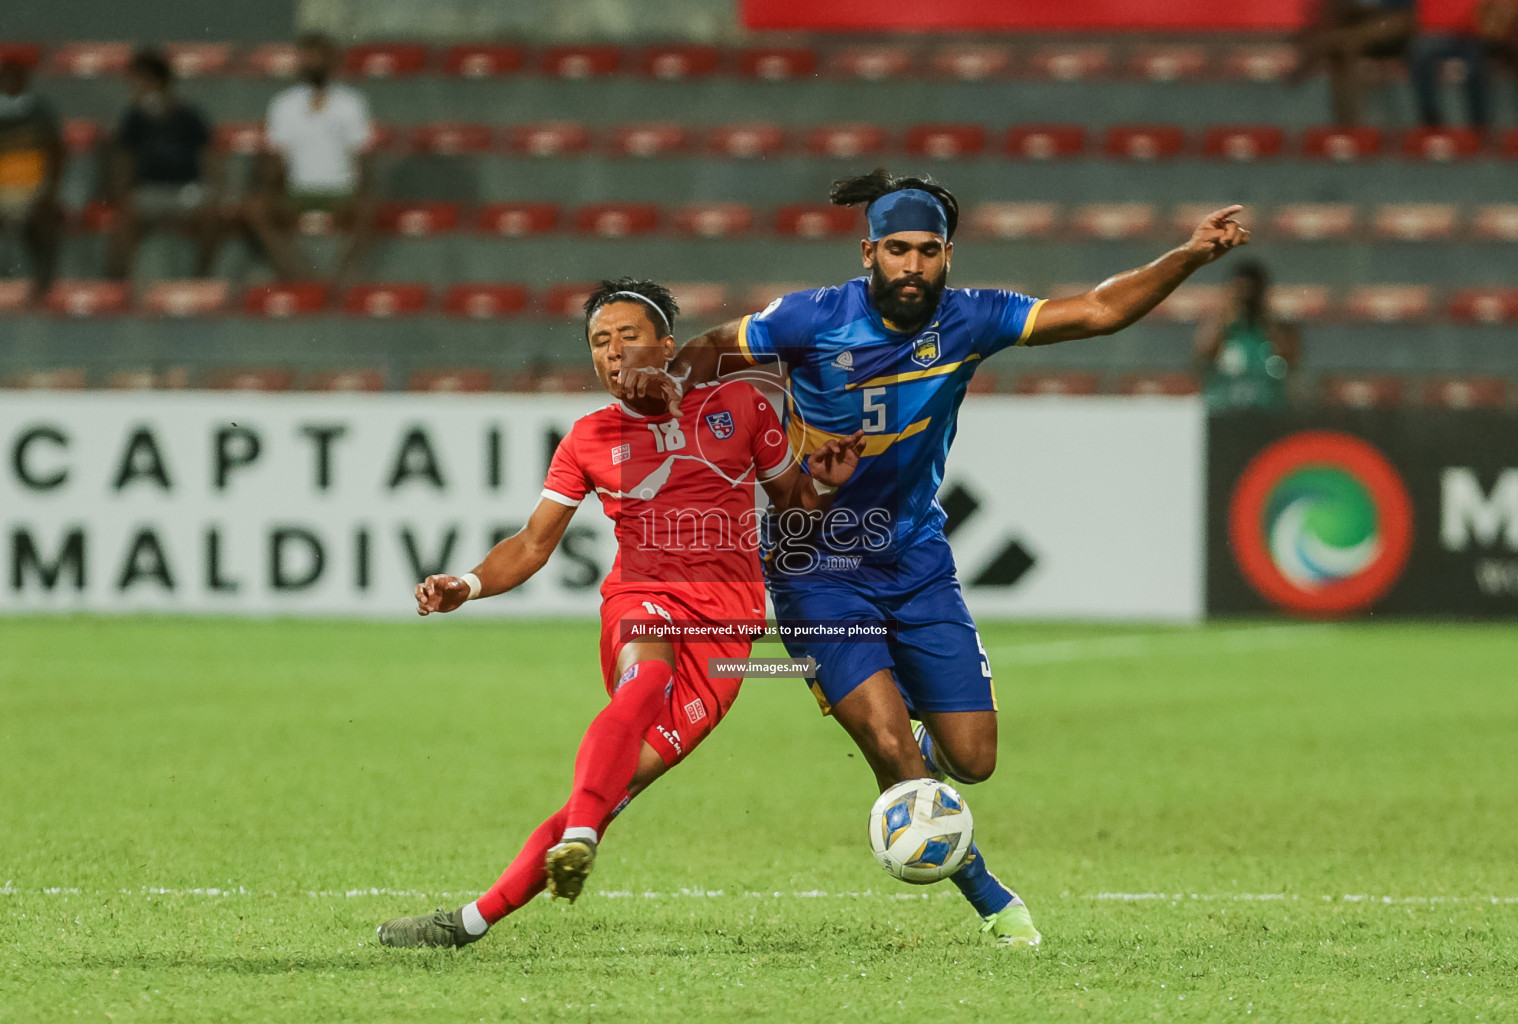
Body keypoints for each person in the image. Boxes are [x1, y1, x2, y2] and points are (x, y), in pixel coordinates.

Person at [627, 169, 1249, 948]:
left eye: (927, 251)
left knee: (973, 758)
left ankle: (918, 767)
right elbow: (716, 346)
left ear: (948, 256)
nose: (912, 266)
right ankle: (991, 897)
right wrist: (669, 385)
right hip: (815, 564)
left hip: (916, 558)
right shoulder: (810, 318)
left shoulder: (970, 319)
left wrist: (1186, 256)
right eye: (897, 250)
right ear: (869, 252)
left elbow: (1097, 310)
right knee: (887, 745)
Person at [376, 279, 864, 948]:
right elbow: (531, 543)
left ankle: (470, 921)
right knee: (644, 680)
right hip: (643, 600)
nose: (613, 352)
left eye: (628, 336)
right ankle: (581, 833)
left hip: (726, 633)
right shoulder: (588, 438)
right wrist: (466, 582)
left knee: (612, 789)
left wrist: (827, 484)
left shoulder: (742, 406)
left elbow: (795, 506)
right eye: (600, 343)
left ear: (668, 345)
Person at [244, 33, 374, 284]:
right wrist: (270, 184)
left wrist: (361, 187)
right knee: (256, 207)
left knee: (368, 207)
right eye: (308, 57)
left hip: (341, 190)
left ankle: (340, 278)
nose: (314, 63)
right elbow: (276, 156)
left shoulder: (351, 103)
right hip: (297, 190)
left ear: (331, 61)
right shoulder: (283, 104)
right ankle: (302, 277)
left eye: (319, 57)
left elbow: (362, 154)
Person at [105, 48, 222, 280]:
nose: (135, 87)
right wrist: (122, 192)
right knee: (124, 216)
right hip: (150, 192)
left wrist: (215, 190)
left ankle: (200, 280)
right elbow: (125, 160)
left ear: (159, 81)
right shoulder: (134, 118)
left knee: (212, 215)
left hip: (187, 192)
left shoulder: (189, 115)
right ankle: (120, 285)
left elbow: (209, 157)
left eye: (141, 81)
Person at [1195, 261, 1300, 413]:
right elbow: (1204, 356)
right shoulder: (1220, 324)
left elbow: (1290, 359)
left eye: (1252, 291)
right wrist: (1228, 314)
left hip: (1269, 408)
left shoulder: (1278, 326)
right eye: (1241, 289)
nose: (1246, 296)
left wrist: (1266, 315)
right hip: (1224, 409)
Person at [1291, 0, 1418, 125]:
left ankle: (1306, 63)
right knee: (1341, 51)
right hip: (1359, 25)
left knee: (1346, 42)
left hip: (1396, 21)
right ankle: (1347, 127)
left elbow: (1402, 9)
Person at [0, 55, 63, 302]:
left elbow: (56, 155)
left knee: (47, 218)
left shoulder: (40, 112)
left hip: (33, 191)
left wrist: (47, 193)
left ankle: (43, 290)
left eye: (18, 77)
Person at [1408, 0, 1518, 131]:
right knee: (1420, 52)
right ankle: (1430, 120)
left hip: (1473, 36)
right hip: (1435, 35)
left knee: (1477, 64)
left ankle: (1479, 124)